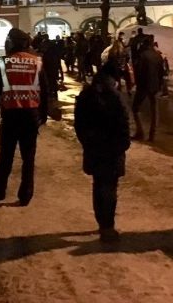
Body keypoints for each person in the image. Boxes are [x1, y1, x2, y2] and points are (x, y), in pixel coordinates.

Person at [0, 28, 48, 206]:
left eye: (9, 40)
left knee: (5, 156)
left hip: (10, 116)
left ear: (14, 43)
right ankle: (26, 194)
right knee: (28, 158)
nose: (7, 43)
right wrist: (43, 115)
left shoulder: (3, 63)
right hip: (30, 116)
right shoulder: (36, 62)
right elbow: (44, 91)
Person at [74, 61, 131, 243]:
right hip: (112, 150)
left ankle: (102, 223)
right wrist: (122, 145)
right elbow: (123, 124)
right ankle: (108, 227)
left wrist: (87, 142)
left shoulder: (86, 94)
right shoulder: (114, 96)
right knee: (109, 188)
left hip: (94, 148)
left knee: (99, 185)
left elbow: (79, 124)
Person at [131, 35, 163, 141]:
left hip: (144, 85)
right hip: (155, 85)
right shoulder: (157, 55)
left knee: (135, 107)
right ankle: (153, 134)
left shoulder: (142, 55)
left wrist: (137, 84)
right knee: (155, 109)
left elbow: (138, 71)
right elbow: (161, 72)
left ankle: (140, 131)